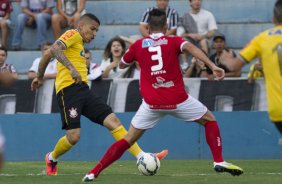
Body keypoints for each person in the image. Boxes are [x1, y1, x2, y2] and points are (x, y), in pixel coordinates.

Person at [82, 9, 243, 182]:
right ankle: (219, 161)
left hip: (152, 103)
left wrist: (137, 54)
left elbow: (121, 65)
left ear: (148, 27)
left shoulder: (138, 44)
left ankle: (94, 172)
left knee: (128, 139)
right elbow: (190, 47)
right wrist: (212, 65)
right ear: (166, 26)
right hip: (178, 100)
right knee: (209, 120)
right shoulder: (173, 41)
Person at [30, 13, 168, 176]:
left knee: (113, 121)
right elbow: (52, 50)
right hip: (68, 91)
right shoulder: (72, 34)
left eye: (97, 31)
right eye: (92, 29)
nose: (94, 34)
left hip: (83, 90)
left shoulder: (79, 43)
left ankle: (142, 156)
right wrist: (68, 69)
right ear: (81, 26)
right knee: (73, 137)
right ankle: (52, 157)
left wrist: (40, 77)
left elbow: (48, 55)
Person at [220, 0, 282, 135]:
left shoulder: (262, 39)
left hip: (278, 110)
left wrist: (226, 59)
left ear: (273, 19)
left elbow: (234, 65)